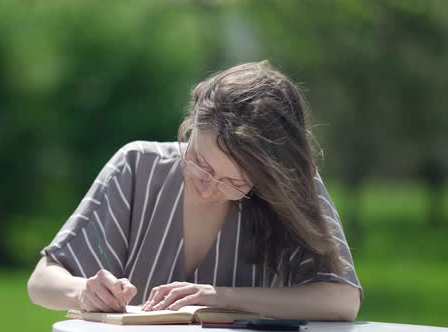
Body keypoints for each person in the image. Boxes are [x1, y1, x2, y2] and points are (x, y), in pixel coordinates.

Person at [27, 60, 363, 320]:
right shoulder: (137, 166)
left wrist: (221, 298)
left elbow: (342, 300)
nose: (207, 186)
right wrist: (83, 291)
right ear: (191, 127)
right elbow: (41, 282)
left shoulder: (290, 183)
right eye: (199, 162)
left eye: (234, 182)